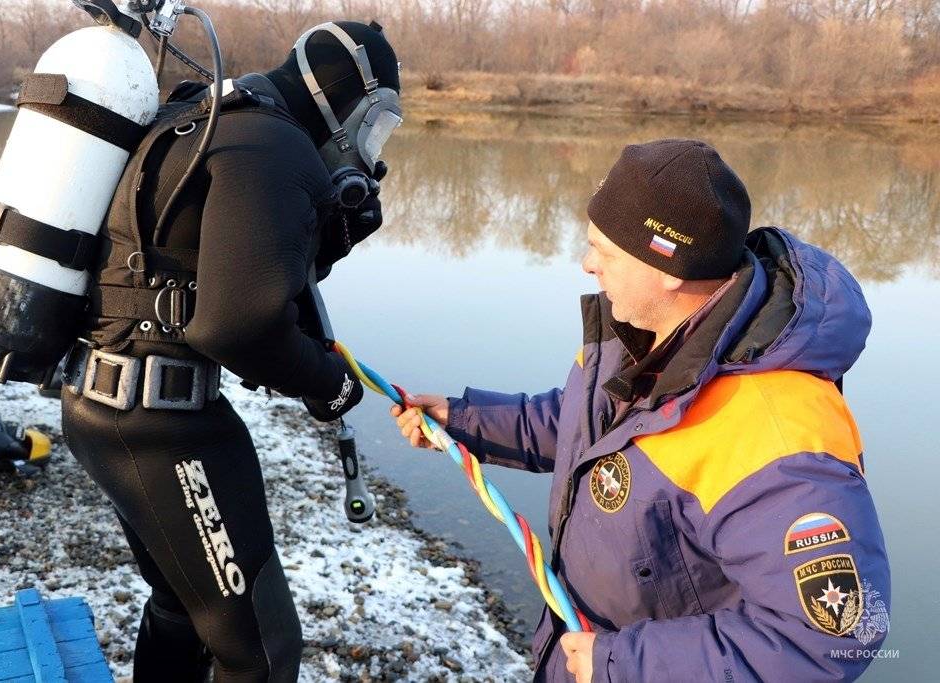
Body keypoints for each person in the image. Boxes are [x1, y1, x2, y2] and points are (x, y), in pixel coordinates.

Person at [392, 139, 890, 682]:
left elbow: (831, 639)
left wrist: (622, 664)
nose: (586, 265)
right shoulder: (637, 334)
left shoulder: (779, 432)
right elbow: (581, 427)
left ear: (667, 265)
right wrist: (462, 422)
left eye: (601, 250)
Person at [60, 21, 401, 682]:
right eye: (377, 122)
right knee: (263, 652)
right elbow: (237, 324)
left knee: (181, 608)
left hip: (99, 403)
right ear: (345, 101)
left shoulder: (208, 112)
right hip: (164, 428)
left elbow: (220, 270)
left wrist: (325, 235)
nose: (372, 144)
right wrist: (326, 380)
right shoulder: (277, 146)